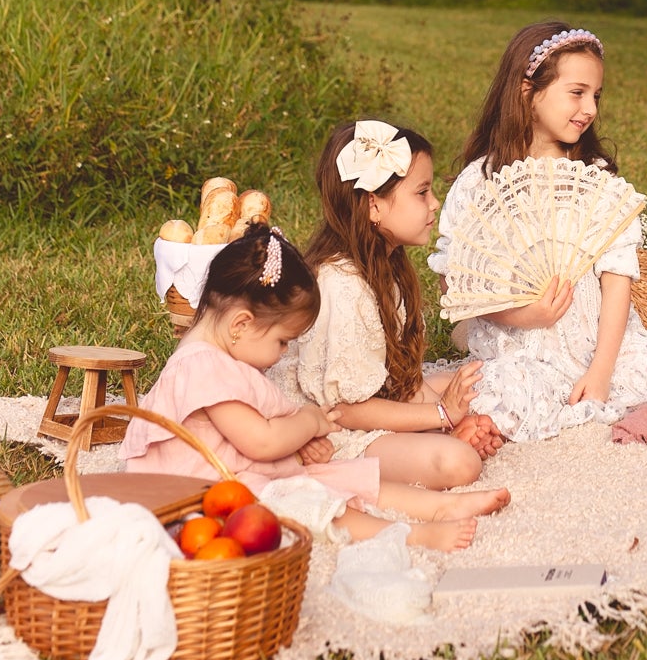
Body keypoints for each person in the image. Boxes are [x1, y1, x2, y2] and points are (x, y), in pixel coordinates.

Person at [429, 20, 647, 439]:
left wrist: (601, 371)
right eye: (576, 93)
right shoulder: (480, 182)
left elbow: (617, 278)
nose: (590, 108)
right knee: (503, 399)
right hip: (519, 349)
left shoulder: (593, 177)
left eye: (596, 95)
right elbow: (457, 285)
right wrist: (525, 315)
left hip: (601, 345)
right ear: (527, 92)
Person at [123, 222, 509, 549]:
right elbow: (262, 442)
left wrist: (300, 443)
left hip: (236, 474)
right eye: (282, 342)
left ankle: (439, 507)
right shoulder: (202, 366)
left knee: (340, 475)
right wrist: (309, 422)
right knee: (308, 499)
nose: (282, 353)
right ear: (241, 324)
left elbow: (247, 434)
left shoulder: (220, 355)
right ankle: (411, 535)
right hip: (202, 495)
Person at [274, 118, 501, 489]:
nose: (435, 203)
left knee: (473, 385)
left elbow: (402, 378)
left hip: (367, 399)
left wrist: (452, 420)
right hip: (326, 426)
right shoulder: (340, 284)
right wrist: (442, 415)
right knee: (458, 463)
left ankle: (434, 433)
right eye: (422, 192)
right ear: (373, 205)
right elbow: (346, 410)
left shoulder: (387, 267)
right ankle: (334, 472)